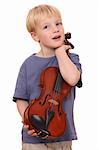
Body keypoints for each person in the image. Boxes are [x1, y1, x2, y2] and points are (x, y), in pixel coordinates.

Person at [13, 4, 82, 150]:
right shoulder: (28, 64)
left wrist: (61, 52)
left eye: (58, 24)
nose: (55, 29)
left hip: (61, 132)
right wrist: (28, 121)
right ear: (35, 36)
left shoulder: (71, 59)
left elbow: (72, 79)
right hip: (33, 139)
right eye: (46, 27)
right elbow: (21, 99)